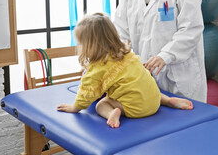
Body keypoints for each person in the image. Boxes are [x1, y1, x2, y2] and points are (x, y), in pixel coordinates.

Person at [57, 13, 193, 128]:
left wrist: (74, 107)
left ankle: (111, 114)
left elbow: (87, 93)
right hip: (154, 101)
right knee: (147, 91)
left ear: (90, 45)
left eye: (81, 43)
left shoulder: (97, 68)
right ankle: (168, 100)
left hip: (137, 109)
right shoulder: (126, 53)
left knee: (102, 104)